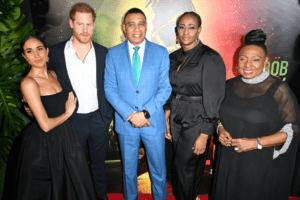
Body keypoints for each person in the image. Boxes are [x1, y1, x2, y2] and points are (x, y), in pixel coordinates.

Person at [211, 29, 300, 200]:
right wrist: (220, 129)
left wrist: (255, 143)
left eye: (255, 59)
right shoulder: (229, 85)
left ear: (266, 61)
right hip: (228, 162)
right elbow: (218, 116)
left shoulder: (278, 89)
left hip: (259, 164)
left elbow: (292, 129)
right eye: (243, 59)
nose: (247, 65)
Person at [13, 35, 96, 200]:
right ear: (24, 56)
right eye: (29, 51)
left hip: (66, 139)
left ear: (47, 51)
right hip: (43, 146)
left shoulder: (53, 74)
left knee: (73, 186)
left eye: (39, 49)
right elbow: (44, 125)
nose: (36, 55)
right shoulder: (28, 83)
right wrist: (67, 113)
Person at [47, 3, 113, 200]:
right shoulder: (56, 53)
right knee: (73, 167)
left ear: (94, 25)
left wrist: (106, 116)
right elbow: (42, 79)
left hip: (99, 119)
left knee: (99, 166)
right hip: (72, 120)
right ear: (71, 23)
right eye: (80, 24)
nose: (85, 30)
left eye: (89, 24)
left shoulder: (104, 53)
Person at [104, 8, 172, 200]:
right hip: (126, 123)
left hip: (153, 122)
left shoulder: (160, 52)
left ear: (146, 26)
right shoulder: (113, 53)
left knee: (158, 170)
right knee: (128, 172)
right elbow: (109, 89)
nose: (136, 28)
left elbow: (165, 88)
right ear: (124, 27)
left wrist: (145, 113)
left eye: (141, 23)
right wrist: (130, 114)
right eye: (131, 23)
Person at [164, 12, 226, 200]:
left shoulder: (210, 57)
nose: (186, 32)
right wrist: (166, 117)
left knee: (185, 167)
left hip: (197, 118)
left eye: (191, 27)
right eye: (182, 27)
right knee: (180, 167)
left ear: (199, 30)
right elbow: (168, 89)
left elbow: (214, 97)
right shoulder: (173, 57)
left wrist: (205, 133)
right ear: (177, 30)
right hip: (176, 116)